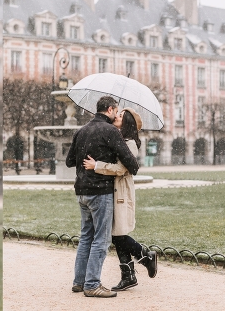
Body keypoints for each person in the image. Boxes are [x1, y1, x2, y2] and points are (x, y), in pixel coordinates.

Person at [66, 95, 139, 298]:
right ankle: (92, 284)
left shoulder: (81, 131)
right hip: (100, 192)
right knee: (101, 240)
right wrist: (102, 162)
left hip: (81, 191)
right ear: (109, 110)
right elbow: (132, 166)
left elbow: (70, 161)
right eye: (116, 110)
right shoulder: (110, 132)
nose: (117, 114)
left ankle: (79, 282)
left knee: (85, 238)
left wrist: (89, 157)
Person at [82, 108, 158, 291]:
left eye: (121, 116)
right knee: (117, 234)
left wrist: (96, 166)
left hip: (121, 192)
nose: (116, 116)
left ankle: (144, 257)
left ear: (127, 123)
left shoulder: (130, 143)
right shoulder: (117, 138)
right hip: (112, 191)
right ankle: (130, 273)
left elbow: (121, 169)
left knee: (117, 234)